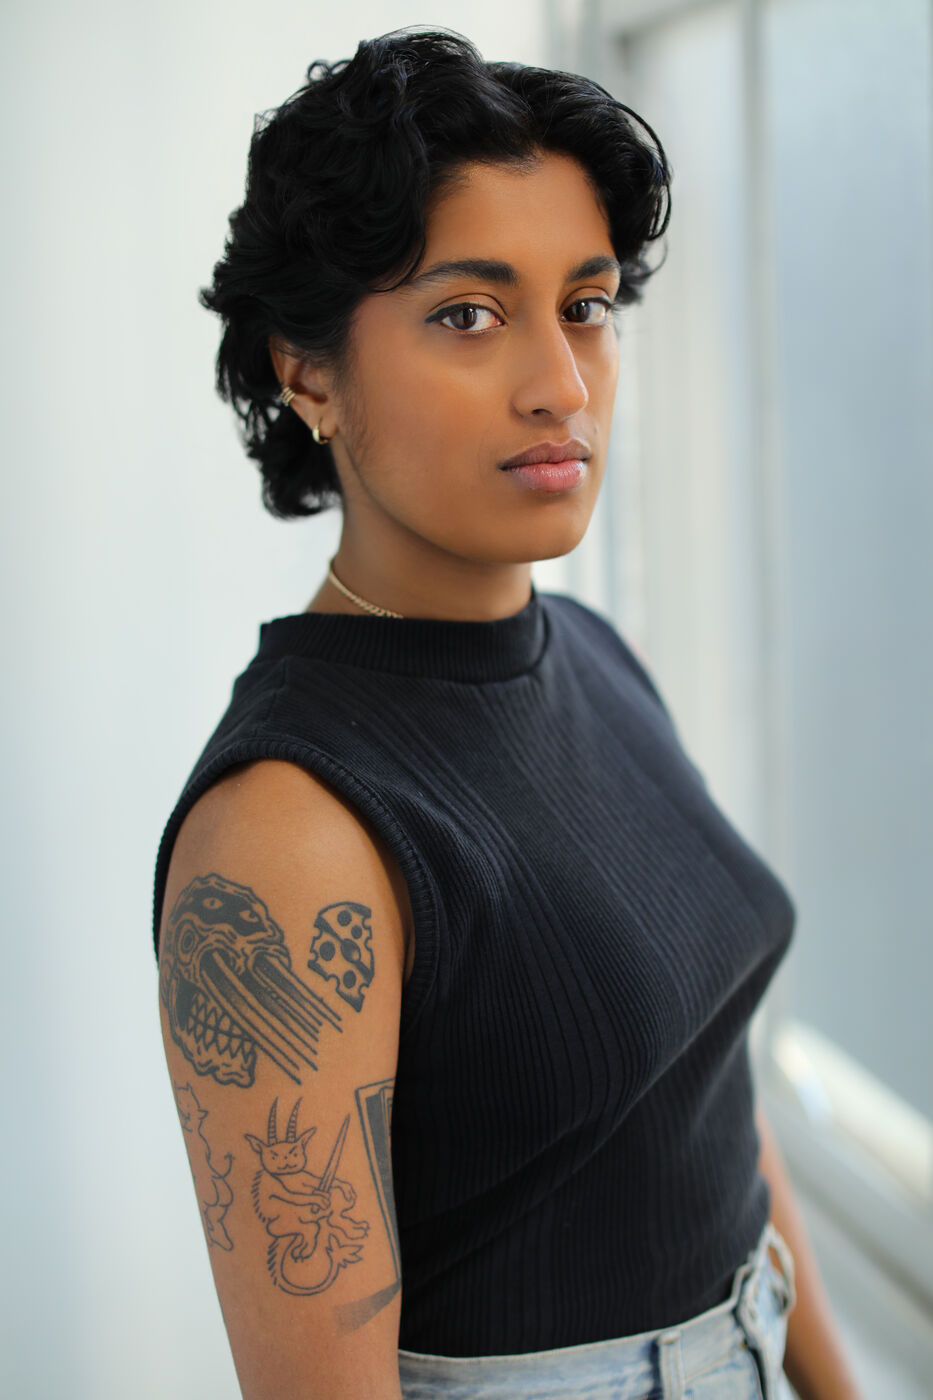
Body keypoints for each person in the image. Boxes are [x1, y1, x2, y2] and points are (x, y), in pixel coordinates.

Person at [153, 26, 865, 1400]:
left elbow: (704, 1100)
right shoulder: (289, 834)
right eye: (467, 314)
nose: (560, 383)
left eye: (586, 303)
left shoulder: (591, 652)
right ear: (306, 370)